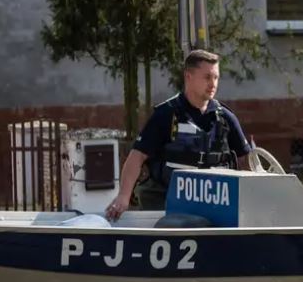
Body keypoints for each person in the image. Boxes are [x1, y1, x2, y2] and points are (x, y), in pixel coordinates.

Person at [105, 50, 252, 220]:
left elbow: (246, 160)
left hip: (215, 207)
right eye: (207, 77)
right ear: (188, 77)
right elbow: (136, 157)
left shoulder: (226, 118)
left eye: (216, 78)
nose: (213, 84)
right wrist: (123, 197)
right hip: (167, 204)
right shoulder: (166, 114)